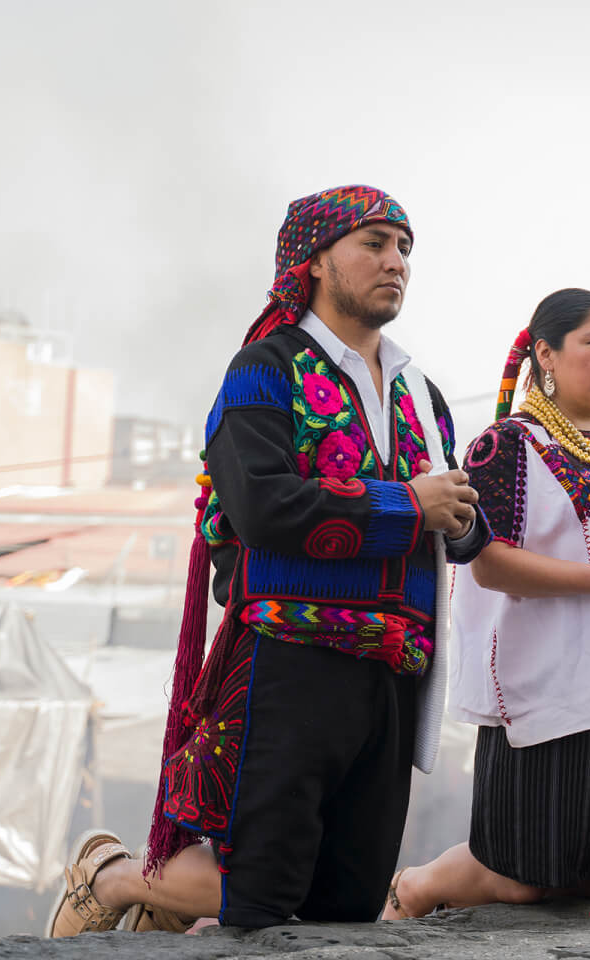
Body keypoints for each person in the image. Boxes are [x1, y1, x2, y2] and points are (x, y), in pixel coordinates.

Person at [46, 185, 489, 936]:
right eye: (374, 243)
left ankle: (158, 898)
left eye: (405, 248)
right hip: (291, 656)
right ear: (315, 261)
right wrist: (409, 506)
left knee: (347, 902)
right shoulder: (263, 369)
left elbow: (455, 525)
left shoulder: (423, 393)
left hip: (396, 668)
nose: (396, 262)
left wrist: (468, 518)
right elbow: (262, 508)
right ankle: (114, 877)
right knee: (261, 891)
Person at [381, 288, 590, 919]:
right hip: (549, 684)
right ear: (546, 355)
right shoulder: (505, 448)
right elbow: (492, 563)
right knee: (523, 870)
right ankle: (415, 887)